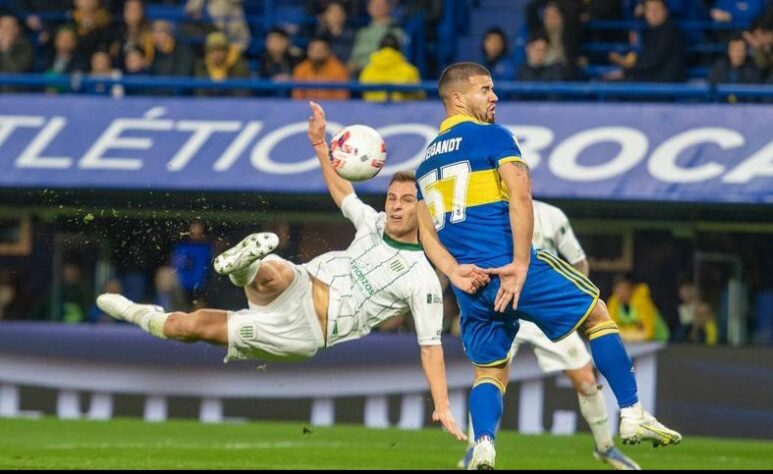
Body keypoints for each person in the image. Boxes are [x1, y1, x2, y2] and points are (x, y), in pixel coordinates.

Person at [97, 101, 485, 443]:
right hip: (300, 283)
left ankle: (142, 310)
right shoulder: (373, 222)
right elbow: (343, 193)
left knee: (188, 326)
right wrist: (320, 144)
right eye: (392, 198)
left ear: (424, 210)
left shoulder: (423, 277)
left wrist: (442, 405)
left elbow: (431, 347)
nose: (396, 206)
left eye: (406, 201)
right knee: (278, 270)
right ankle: (246, 266)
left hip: (304, 331)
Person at [414, 62, 681, 470]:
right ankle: (631, 413)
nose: (494, 96)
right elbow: (522, 196)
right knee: (596, 315)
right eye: (484, 89)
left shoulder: (425, 165)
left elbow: (426, 231)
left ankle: (483, 444)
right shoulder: (493, 136)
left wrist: (452, 272)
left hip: (472, 284)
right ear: (457, 98)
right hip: (509, 268)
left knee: (490, 371)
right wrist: (520, 264)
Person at [459, 200, 640, 470]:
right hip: (504, 307)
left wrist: (571, 303)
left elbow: (579, 262)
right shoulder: (487, 213)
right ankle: (476, 448)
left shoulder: (552, 215)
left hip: (544, 308)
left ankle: (606, 448)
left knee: (586, 380)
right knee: (487, 376)